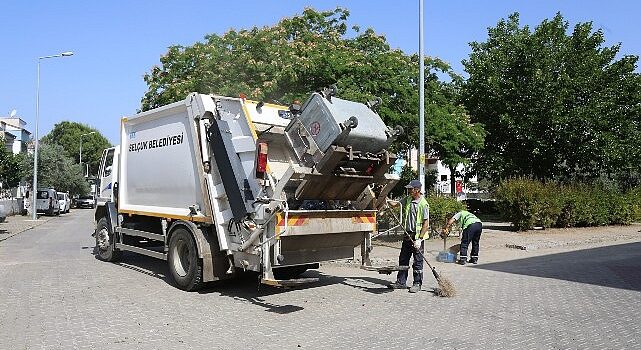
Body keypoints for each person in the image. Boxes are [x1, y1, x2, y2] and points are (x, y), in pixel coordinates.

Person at [388, 179, 430, 293]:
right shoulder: (408, 199)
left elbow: (426, 224)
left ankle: (417, 283)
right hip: (407, 235)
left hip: (417, 237)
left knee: (417, 261)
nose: (408, 191)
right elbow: (395, 204)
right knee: (403, 259)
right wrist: (384, 199)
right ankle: (401, 282)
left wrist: (420, 240)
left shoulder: (423, 204)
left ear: (417, 190)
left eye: (410, 189)